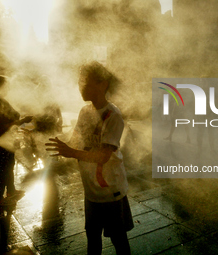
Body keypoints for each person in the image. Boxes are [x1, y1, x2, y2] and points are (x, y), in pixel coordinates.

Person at [46, 61, 133, 255]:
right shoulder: (85, 111)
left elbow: (103, 156)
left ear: (102, 84)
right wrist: (58, 144)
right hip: (91, 190)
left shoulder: (113, 115)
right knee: (92, 238)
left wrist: (70, 152)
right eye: (79, 83)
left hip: (111, 190)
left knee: (119, 239)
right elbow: (75, 140)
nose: (80, 88)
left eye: (85, 83)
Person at [0, 75, 33, 206]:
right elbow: (2, 125)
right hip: (0, 141)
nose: (9, 88)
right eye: (7, 86)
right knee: (3, 169)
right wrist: (23, 121)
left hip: (8, 139)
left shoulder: (0, 99)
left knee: (9, 165)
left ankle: (11, 191)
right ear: (0, 86)